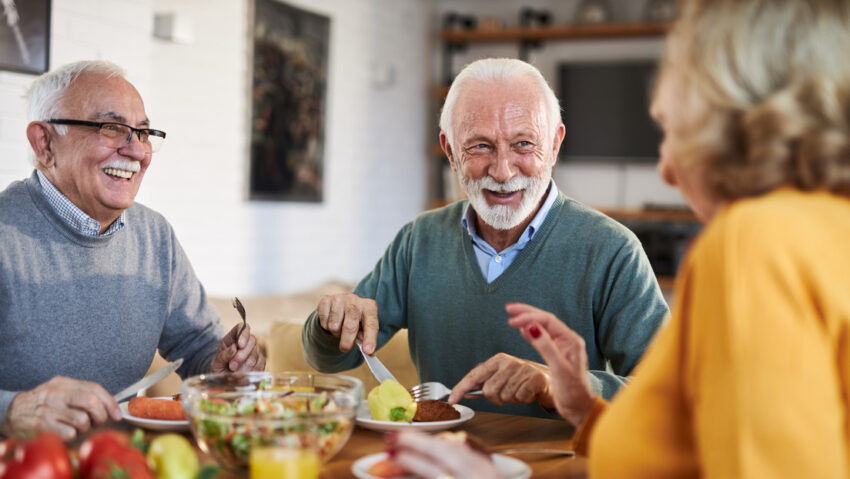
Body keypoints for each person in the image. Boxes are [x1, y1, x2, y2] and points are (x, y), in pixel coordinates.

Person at [391, 0, 850, 476]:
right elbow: (692, 452)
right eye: (482, 145)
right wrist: (583, 405)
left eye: (673, 131)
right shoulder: (825, 231)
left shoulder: (754, 244)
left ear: (743, 122)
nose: (667, 171)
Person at [302, 58, 669, 418]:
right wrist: (332, 322)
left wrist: (558, 384)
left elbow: (667, 392)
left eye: (523, 144)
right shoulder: (419, 241)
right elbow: (333, 357)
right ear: (450, 151)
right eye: (480, 146)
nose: (503, 171)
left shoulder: (612, 251)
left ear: (554, 145)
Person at [0, 60, 265, 440]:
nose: (138, 151)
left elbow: (198, 347)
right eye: (111, 128)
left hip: (123, 460)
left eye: (142, 132)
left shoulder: (154, 235)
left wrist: (224, 367)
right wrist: (12, 412)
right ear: (45, 143)